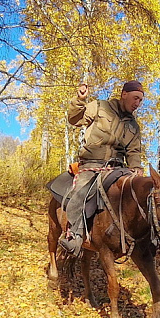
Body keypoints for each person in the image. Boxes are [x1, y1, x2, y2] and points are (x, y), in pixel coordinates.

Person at [58, 80, 146, 257]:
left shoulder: (134, 126)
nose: (137, 104)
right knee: (81, 192)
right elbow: (74, 119)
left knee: (135, 197)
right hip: (92, 164)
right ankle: (73, 235)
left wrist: (136, 168)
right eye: (135, 98)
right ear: (124, 94)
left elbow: (134, 151)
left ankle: (136, 241)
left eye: (141, 101)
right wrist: (80, 99)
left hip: (119, 168)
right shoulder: (99, 107)